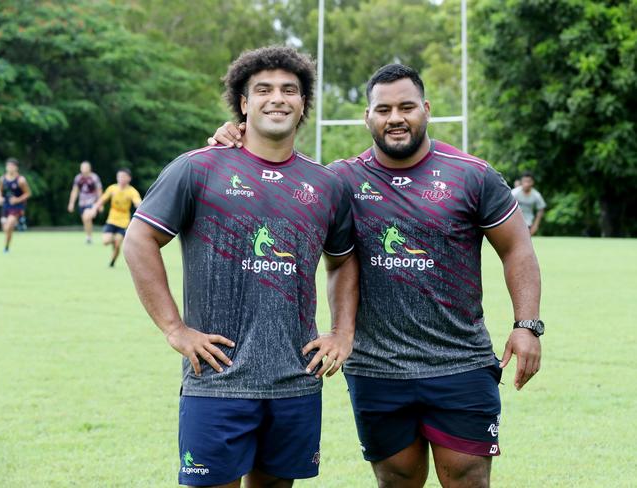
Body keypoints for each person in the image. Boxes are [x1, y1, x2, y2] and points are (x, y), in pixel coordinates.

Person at [210, 63, 543, 488]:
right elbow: (275, 179)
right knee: (397, 479)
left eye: (407, 107)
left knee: (467, 478)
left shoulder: (472, 175)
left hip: (460, 361)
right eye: (383, 110)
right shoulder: (339, 180)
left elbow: (517, 248)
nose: (395, 118)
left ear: (426, 109)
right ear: (368, 117)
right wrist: (235, 139)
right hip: (376, 367)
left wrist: (527, 325)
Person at [124, 46, 358, 488]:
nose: (278, 98)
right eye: (263, 89)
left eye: (290, 90)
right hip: (216, 380)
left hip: (295, 381)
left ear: (303, 104)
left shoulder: (326, 184)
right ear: (244, 103)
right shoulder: (199, 167)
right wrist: (175, 328)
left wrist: (342, 331)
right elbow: (139, 239)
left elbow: (342, 263)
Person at [85, 168, 141, 267]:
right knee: (106, 241)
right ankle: (115, 242)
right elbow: (101, 200)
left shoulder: (132, 191)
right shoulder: (112, 188)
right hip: (112, 219)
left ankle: (112, 262)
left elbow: (138, 202)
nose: (121, 179)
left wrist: (139, 207)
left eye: (123, 176)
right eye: (119, 176)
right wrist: (93, 210)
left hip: (124, 222)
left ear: (129, 178)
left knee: (117, 243)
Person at [0, 157, 31, 253]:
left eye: (12, 166)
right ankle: (6, 247)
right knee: (6, 229)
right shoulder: (2, 179)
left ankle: (18, 221)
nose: (9, 168)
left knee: (9, 225)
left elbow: (28, 193)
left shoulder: (21, 180)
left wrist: (17, 200)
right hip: (6, 206)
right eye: (8, 166)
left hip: (17, 206)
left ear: (16, 168)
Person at [67, 160, 103, 243]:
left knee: (87, 217)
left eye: (85, 167)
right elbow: (75, 191)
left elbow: (99, 190)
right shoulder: (78, 178)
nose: (84, 169)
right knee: (85, 220)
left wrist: (100, 203)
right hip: (82, 203)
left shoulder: (94, 177)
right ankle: (89, 236)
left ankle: (89, 237)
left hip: (92, 202)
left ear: (89, 168)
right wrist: (71, 203)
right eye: (82, 167)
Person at [511, 171, 546, 236]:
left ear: (532, 182)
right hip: (514, 220)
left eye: (528, 181)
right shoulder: (514, 193)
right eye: (524, 181)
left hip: (528, 222)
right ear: (521, 182)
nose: (526, 184)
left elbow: (541, 208)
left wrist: (536, 225)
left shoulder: (536, 195)